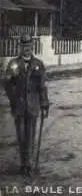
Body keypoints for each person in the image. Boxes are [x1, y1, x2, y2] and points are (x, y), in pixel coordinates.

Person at [3, 34, 50, 176]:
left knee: (30, 136)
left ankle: (28, 163)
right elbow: (6, 84)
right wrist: (13, 99)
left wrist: (44, 104)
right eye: (24, 47)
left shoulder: (38, 64)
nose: (26, 49)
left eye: (29, 46)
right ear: (20, 47)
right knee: (21, 137)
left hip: (33, 107)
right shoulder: (14, 64)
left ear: (32, 47)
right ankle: (24, 163)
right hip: (19, 107)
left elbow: (43, 86)